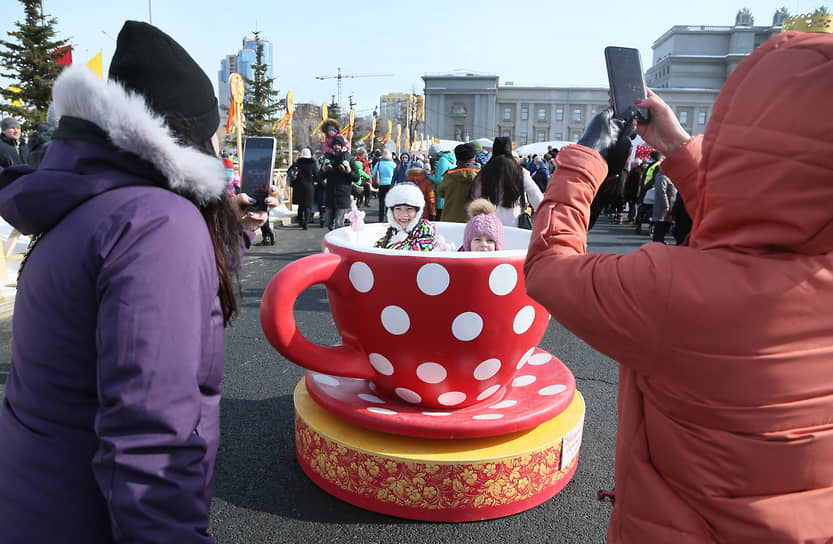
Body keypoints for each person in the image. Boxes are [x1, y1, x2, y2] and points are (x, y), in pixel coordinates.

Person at [524, 31, 833, 542]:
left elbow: (549, 266)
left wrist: (585, 158)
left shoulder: (673, 290)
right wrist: (677, 147)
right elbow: (778, 212)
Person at [0, 21, 274, 543]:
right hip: (92, 516)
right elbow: (150, 432)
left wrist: (228, 234)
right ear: (188, 134)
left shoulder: (94, 199)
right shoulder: (158, 224)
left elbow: (156, 291)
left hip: (38, 495)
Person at [471, 136, 543, 228]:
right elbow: (536, 196)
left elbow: (475, 196)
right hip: (514, 222)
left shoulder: (485, 172)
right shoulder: (519, 172)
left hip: (489, 222)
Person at [373, 182, 437, 251]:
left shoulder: (426, 237)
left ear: (418, 212)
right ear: (391, 212)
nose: (403, 214)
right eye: (398, 209)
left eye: (409, 209)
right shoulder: (389, 237)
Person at [321, 134, 358, 230]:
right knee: (329, 223)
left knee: (339, 223)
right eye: (334, 145)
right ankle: (331, 242)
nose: (336, 147)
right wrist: (323, 170)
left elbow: (356, 178)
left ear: (342, 146)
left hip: (342, 195)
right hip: (330, 195)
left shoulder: (348, 159)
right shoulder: (329, 159)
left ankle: (337, 243)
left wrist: (349, 172)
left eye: (338, 145)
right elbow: (320, 176)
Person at [437, 143, 479, 223]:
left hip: (450, 221)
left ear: (457, 158)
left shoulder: (449, 176)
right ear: (474, 157)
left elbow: (440, 193)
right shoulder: (481, 175)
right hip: (474, 222)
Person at [291, 148, 319, 230]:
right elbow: (317, 175)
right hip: (309, 187)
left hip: (298, 187)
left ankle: (300, 222)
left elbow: (291, 172)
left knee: (301, 206)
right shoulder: (312, 163)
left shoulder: (297, 163)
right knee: (308, 206)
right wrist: (323, 185)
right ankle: (306, 223)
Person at [427, 143, 456, 221]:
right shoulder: (449, 159)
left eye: (431, 155)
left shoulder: (442, 161)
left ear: (434, 154)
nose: (432, 158)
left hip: (441, 196)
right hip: (449, 194)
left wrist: (427, 176)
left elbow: (439, 180)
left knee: (439, 220)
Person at [650, 170, 677, 243]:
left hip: (669, 206)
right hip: (663, 207)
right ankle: (658, 243)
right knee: (660, 226)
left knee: (665, 226)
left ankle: (660, 242)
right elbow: (661, 191)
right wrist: (666, 205)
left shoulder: (668, 176)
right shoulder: (662, 176)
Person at [371, 149, 396, 223]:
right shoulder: (393, 164)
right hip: (390, 185)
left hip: (381, 185)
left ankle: (380, 220)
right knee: (390, 204)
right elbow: (396, 175)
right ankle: (389, 221)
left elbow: (373, 174)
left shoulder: (379, 163)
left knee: (381, 203)